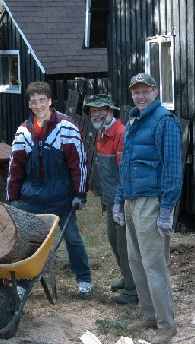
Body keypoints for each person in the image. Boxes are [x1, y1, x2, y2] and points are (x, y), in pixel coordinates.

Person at [113, 73, 182, 344]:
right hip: (132, 200)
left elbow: (173, 169)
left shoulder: (165, 122)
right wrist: (119, 199)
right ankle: (149, 314)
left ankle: (167, 324)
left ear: (155, 91)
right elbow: (126, 164)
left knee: (154, 265)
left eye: (145, 91)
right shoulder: (133, 121)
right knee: (136, 261)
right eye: (136, 92)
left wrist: (166, 208)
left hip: (152, 202)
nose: (140, 96)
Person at [6, 81, 92, 295]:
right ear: (29, 104)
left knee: (72, 238)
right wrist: (13, 196)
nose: (38, 105)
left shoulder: (66, 127)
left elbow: (78, 163)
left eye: (42, 100)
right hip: (33, 199)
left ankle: (84, 279)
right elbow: (15, 167)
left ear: (50, 101)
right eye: (34, 102)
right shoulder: (23, 132)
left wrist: (79, 192)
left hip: (61, 199)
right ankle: (23, 284)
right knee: (29, 242)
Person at [83, 94, 138, 304]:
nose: (95, 114)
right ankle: (127, 277)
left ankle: (133, 291)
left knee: (124, 245)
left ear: (111, 111)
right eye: (92, 111)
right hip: (109, 199)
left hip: (122, 200)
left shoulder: (120, 133)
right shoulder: (101, 133)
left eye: (100, 110)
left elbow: (124, 172)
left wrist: (119, 201)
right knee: (113, 240)